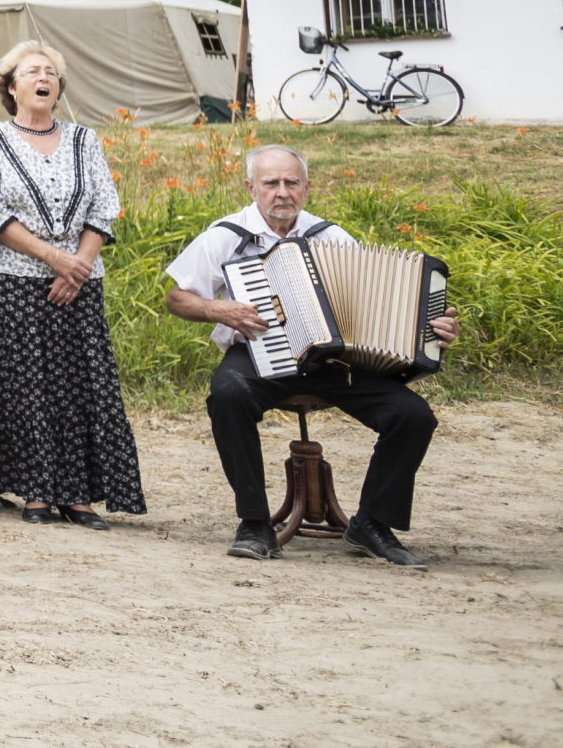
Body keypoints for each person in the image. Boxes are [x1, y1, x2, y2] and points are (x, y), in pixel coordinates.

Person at [165, 145, 460, 566]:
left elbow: (375, 307)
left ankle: (372, 524)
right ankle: (253, 523)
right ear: (251, 187)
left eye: (292, 182)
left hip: (333, 362)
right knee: (228, 394)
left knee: (412, 415)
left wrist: (429, 331)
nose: (282, 192)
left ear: (307, 187)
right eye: (271, 183)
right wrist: (219, 309)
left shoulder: (332, 237)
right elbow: (177, 298)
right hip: (258, 353)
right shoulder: (226, 236)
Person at [0, 43, 145, 526]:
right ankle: (36, 493)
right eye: (32, 71)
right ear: (11, 86)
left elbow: (104, 206)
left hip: (80, 281)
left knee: (81, 384)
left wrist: (78, 266)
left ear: (58, 88)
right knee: (26, 383)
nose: (43, 78)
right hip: (16, 278)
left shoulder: (85, 139)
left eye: (51, 73)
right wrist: (54, 259)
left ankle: (78, 494)